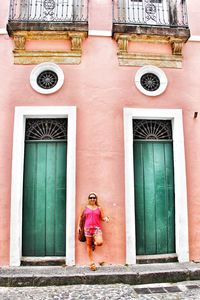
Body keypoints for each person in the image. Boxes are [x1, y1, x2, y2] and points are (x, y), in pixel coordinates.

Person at [77, 192, 110, 271]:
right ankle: (92, 263)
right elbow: (80, 217)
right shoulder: (85, 208)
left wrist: (106, 219)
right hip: (87, 228)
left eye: (94, 197)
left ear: (96, 199)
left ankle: (94, 243)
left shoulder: (99, 208)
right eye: (91, 197)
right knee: (88, 245)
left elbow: (102, 217)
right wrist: (78, 226)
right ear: (88, 199)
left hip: (96, 229)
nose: (92, 199)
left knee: (100, 242)